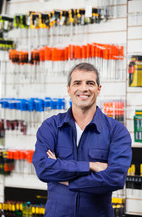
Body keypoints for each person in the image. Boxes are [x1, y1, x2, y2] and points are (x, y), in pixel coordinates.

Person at [32, 63, 132, 217]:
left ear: (99, 89)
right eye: (77, 83)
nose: (84, 88)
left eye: (90, 83)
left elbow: (115, 178)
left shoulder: (116, 131)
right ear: (69, 89)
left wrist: (67, 180)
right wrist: (90, 166)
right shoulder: (51, 127)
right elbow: (43, 168)